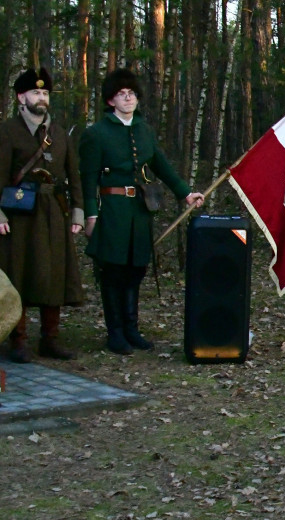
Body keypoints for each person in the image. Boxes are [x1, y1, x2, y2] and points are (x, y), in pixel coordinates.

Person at [78, 68, 204, 354]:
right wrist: (90, 215)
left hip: (140, 210)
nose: (128, 99)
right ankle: (116, 333)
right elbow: (87, 179)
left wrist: (185, 193)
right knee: (113, 271)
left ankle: (132, 329)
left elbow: (161, 165)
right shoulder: (96, 134)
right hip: (111, 209)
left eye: (131, 94)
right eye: (121, 95)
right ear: (111, 101)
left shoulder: (144, 130)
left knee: (136, 268)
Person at [0, 67, 85, 362]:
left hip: (53, 213)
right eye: (36, 92)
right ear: (20, 97)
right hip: (20, 214)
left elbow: (73, 175)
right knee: (19, 273)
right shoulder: (8, 131)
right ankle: (18, 340)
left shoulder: (59, 133)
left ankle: (50, 339)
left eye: (45, 93)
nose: (41, 97)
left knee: (54, 276)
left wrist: (77, 212)